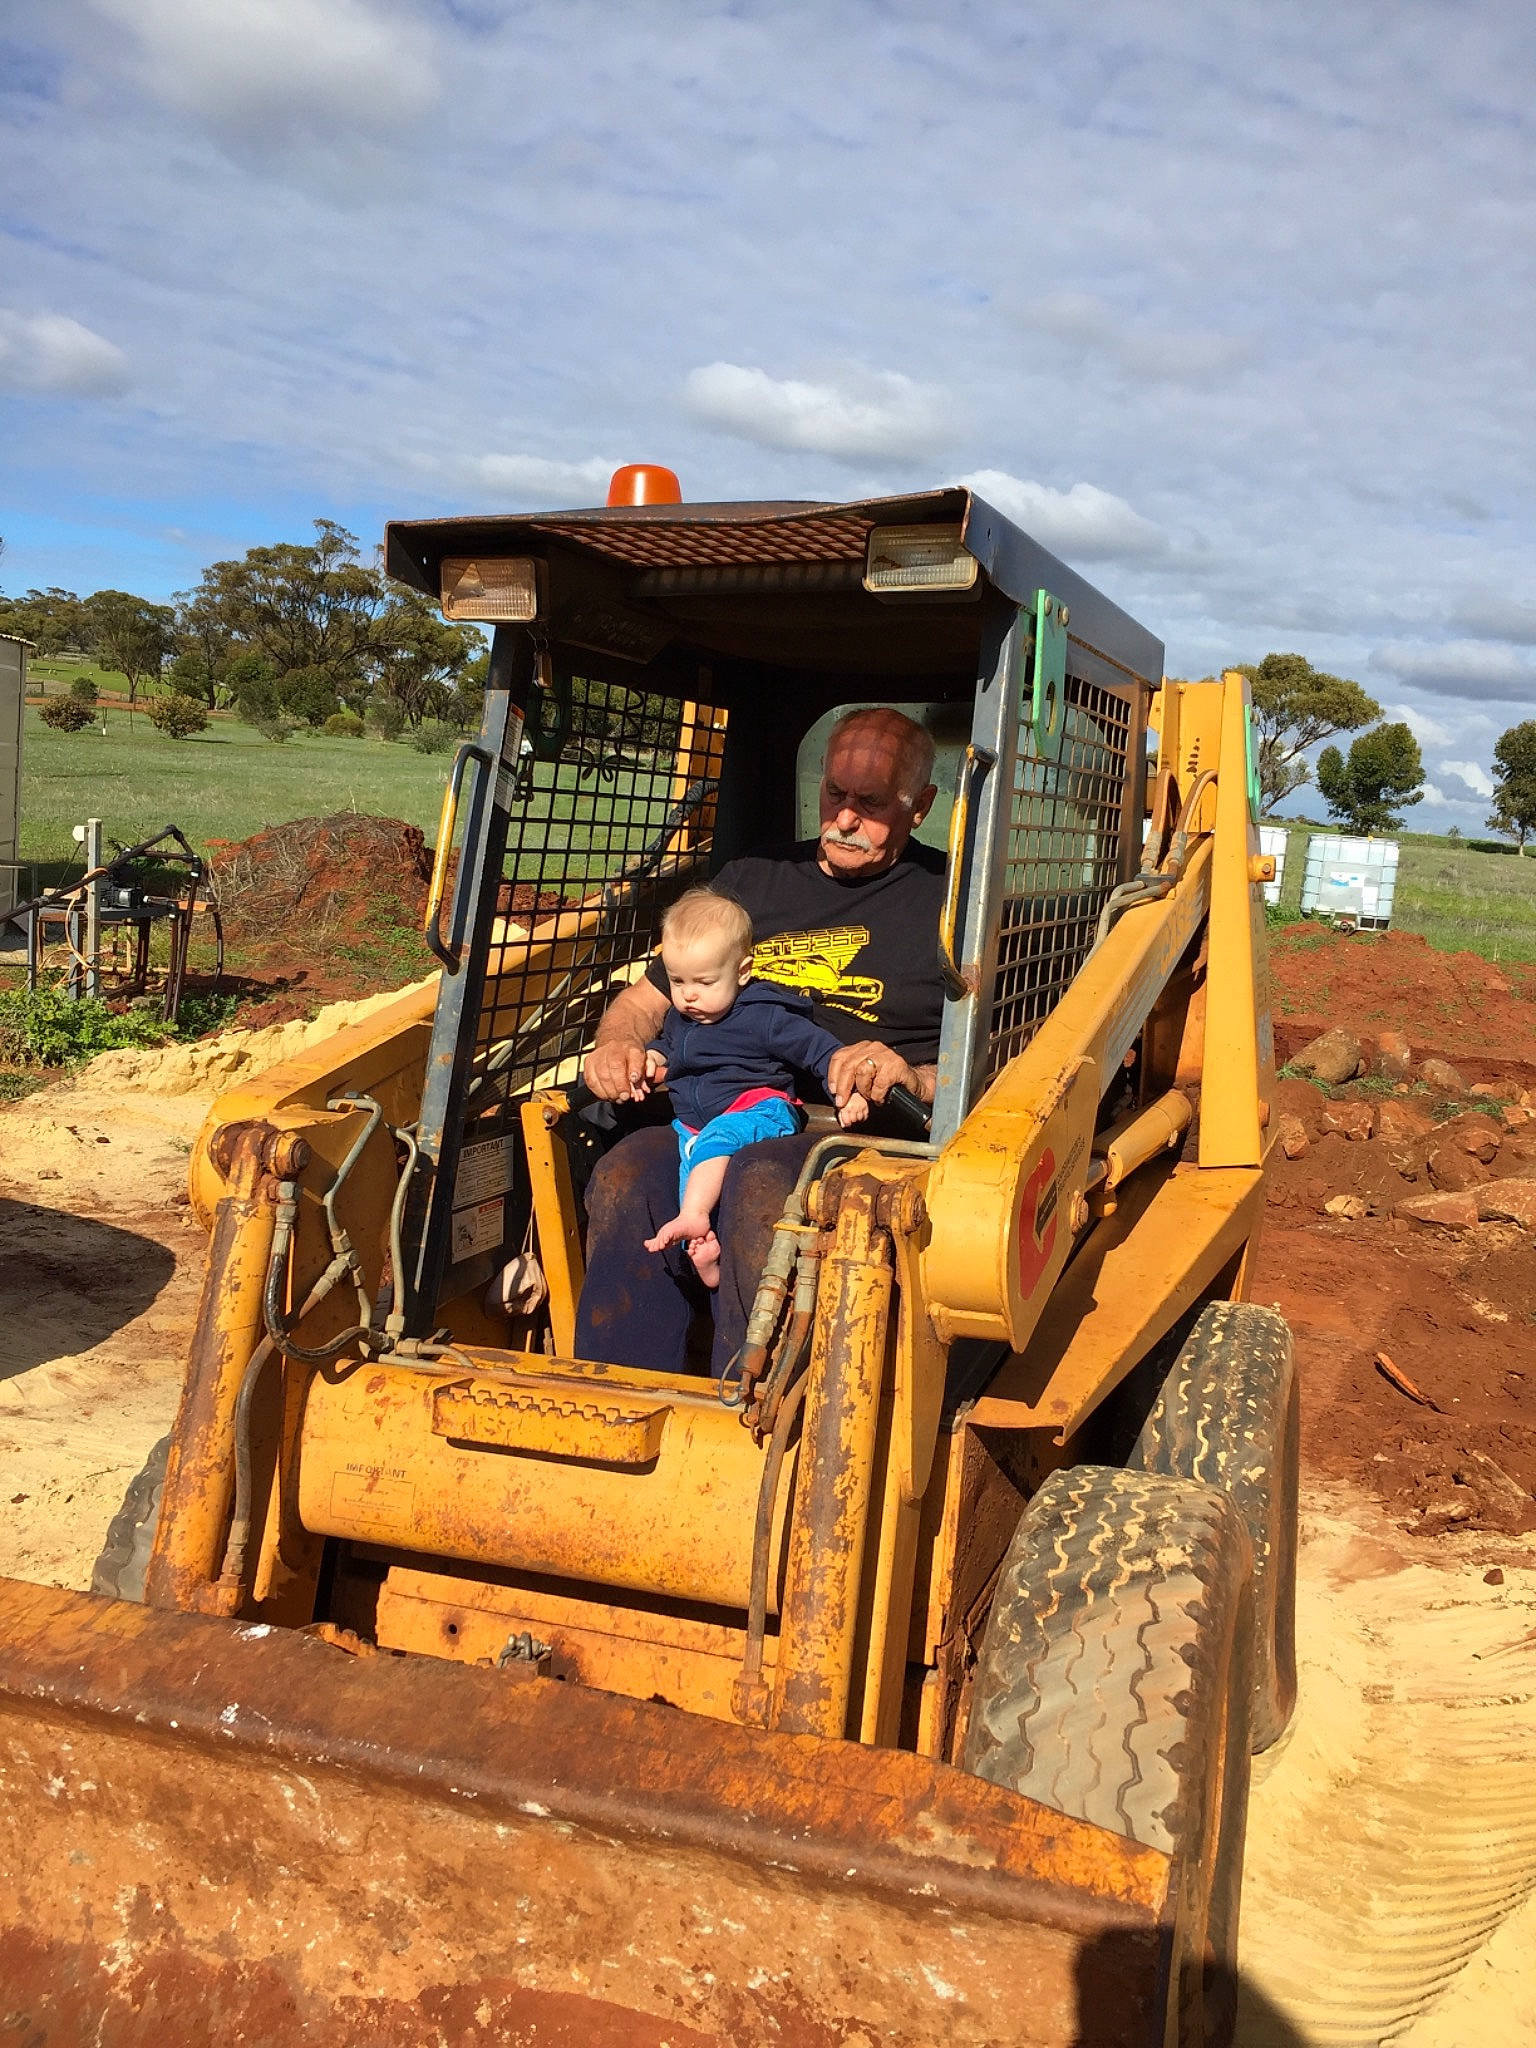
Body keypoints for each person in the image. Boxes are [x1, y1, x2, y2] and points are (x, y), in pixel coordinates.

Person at [575, 705, 946, 1378]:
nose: (844, 819)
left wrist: (915, 1079)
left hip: (853, 1131)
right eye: (835, 794)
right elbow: (642, 1001)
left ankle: (747, 1412)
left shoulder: (953, 905)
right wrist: (617, 1046)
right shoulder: (751, 879)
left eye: (870, 802)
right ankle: (621, 1394)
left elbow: (1004, 1060)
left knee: (764, 1183)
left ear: (919, 805)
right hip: (714, 1109)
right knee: (628, 1175)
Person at [636, 887, 869, 1287]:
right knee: (691, 1181)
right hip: (696, 1127)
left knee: (715, 1145)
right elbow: (670, 1048)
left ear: (742, 972)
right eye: (677, 981)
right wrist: (653, 1058)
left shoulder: (764, 1016)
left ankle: (695, 1220)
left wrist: (846, 1095)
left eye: (704, 982)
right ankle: (708, 1256)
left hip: (760, 1109)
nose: (689, 994)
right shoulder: (683, 1020)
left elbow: (822, 1053)